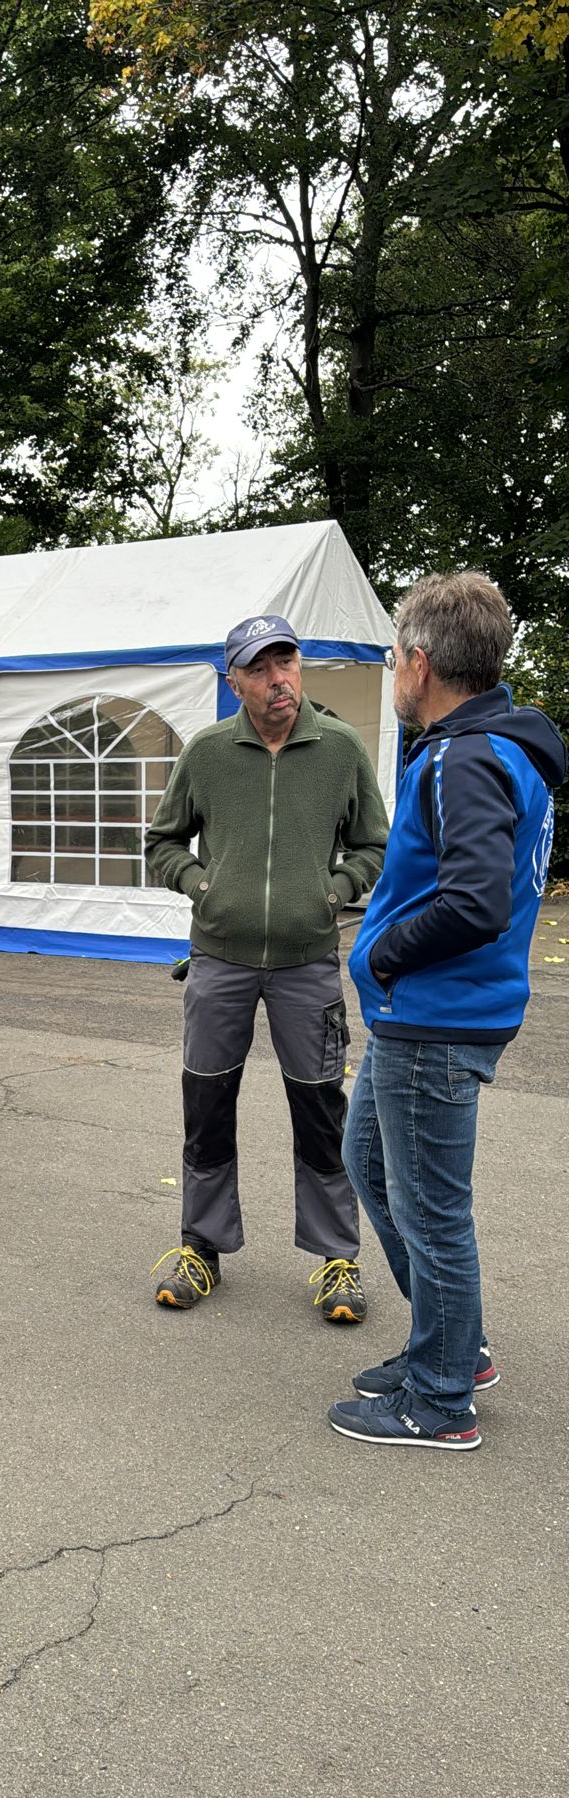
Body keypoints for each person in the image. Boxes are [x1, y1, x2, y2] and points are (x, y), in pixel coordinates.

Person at [329, 572, 567, 1450]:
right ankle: (450, 1346)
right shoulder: (492, 749)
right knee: (369, 1165)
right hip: (434, 1013)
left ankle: (439, 1397)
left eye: (395, 657)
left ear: (420, 664)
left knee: (430, 1209)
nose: (395, 671)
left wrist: (379, 954)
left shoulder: (465, 756)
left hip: (436, 1017)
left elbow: (474, 902)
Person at [145, 614, 389, 1321]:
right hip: (218, 961)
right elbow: (162, 842)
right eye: (260, 668)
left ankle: (337, 1258)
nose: (278, 679)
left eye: (287, 662)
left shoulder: (340, 748)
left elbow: (374, 845)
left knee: (319, 1108)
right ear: (236, 683)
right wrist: (203, 887)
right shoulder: (208, 752)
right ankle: (202, 1247)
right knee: (206, 1106)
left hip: (307, 963)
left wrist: (333, 893)